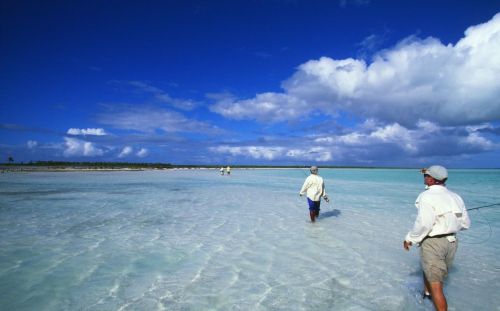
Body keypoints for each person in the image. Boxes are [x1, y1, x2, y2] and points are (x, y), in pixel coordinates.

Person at [403, 165, 470, 311]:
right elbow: (465, 224)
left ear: (432, 179)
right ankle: (427, 295)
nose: (424, 178)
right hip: (452, 242)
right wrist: (448, 225)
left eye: (425, 176)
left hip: (433, 243)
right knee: (430, 273)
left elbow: (424, 224)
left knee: (437, 286)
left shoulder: (426, 196)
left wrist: (410, 238)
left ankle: (433, 299)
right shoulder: (456, 196)